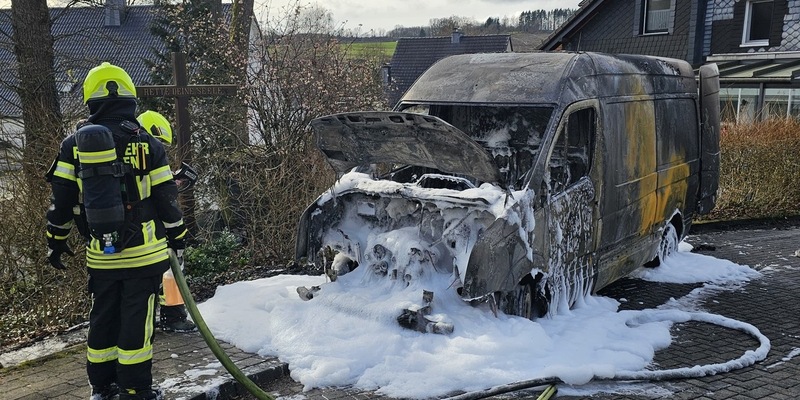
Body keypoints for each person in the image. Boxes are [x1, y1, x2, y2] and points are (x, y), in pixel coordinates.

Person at [45, 62, 187, 400]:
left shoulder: (73, 145)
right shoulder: (148, 143)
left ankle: (102, 388)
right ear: (129, 96)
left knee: (103, 319)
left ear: (89, 99)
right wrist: (179, 237)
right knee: (137, 323)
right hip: (144, 255)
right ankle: (136, 391)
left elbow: (61, 202)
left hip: (101, 254)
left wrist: (56, 240)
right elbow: (167, 199)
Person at [136, 110, 197, 333]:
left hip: (141, 228)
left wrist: (172, 180)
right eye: (160, 142)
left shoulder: (134, 152)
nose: (162, 148)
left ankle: (150, 322)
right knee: (171, 271)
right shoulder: (145, 151)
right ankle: (173, 318)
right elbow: (161, 196)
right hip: (153, 228)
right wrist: (178, 232)